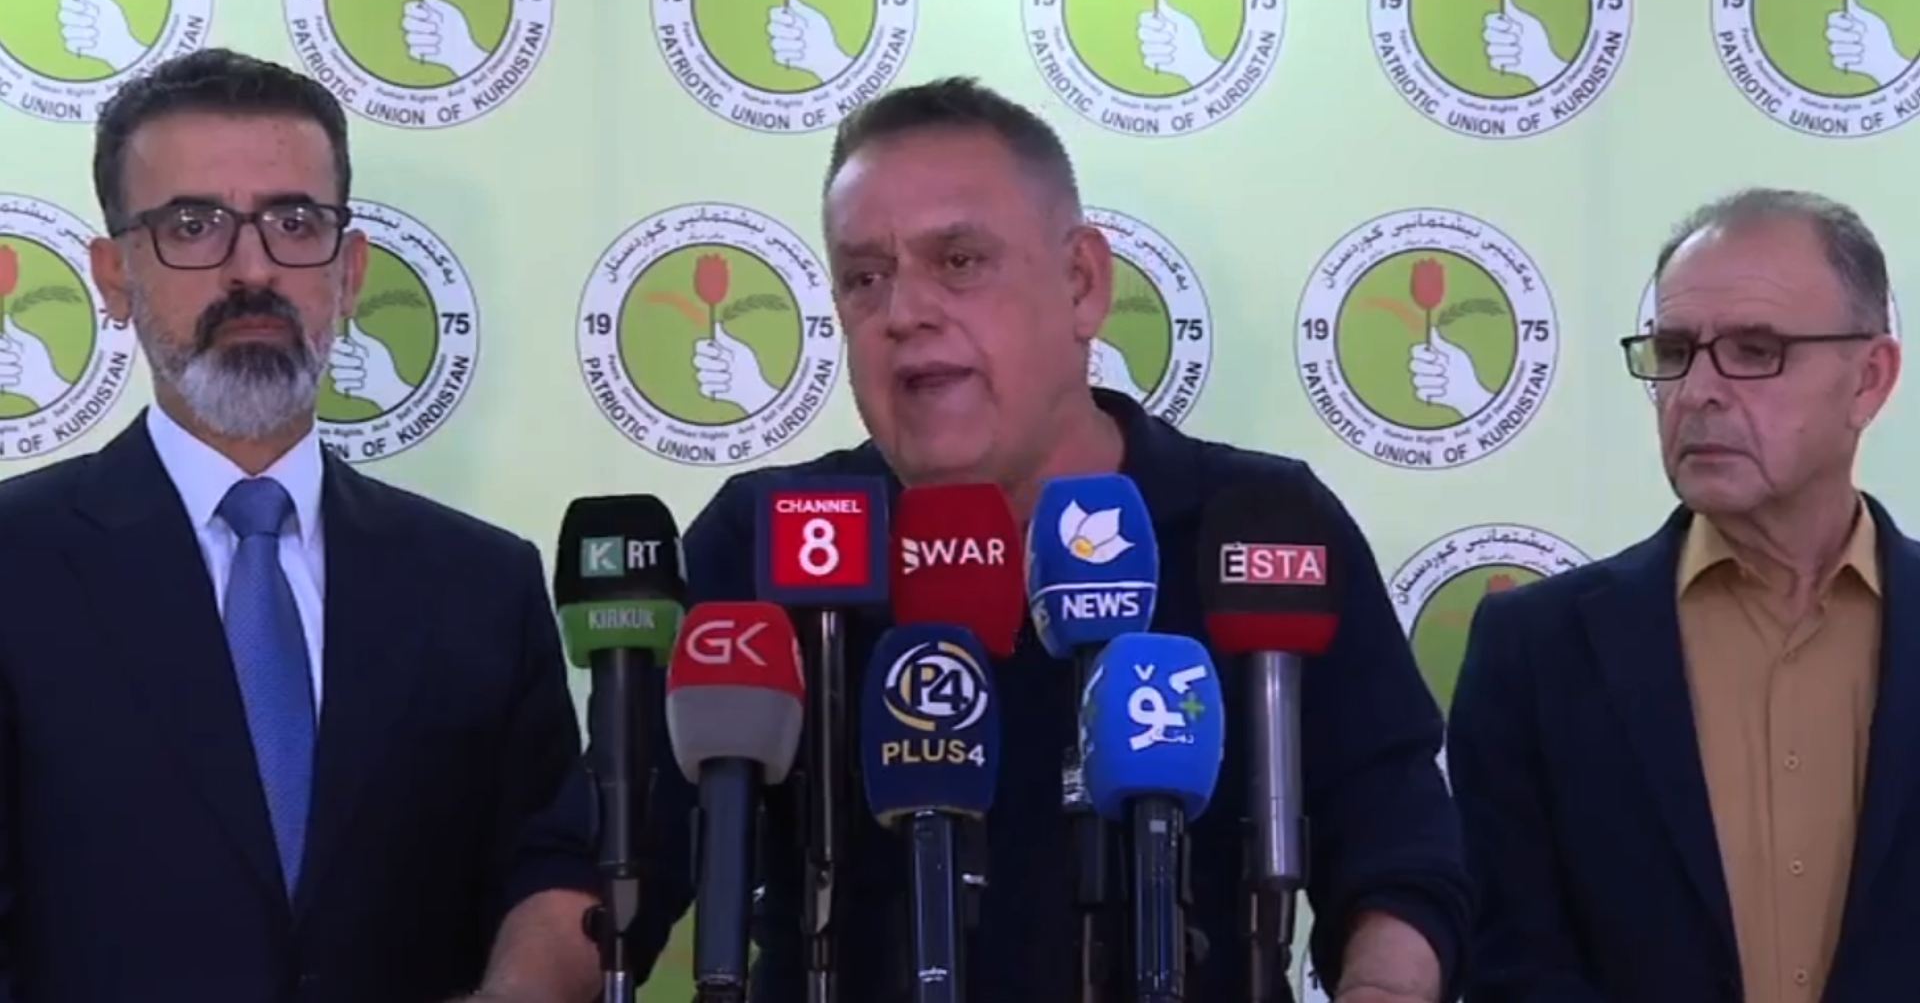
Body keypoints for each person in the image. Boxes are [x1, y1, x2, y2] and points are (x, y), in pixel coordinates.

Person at [633, 77, 1470, 1002]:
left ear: (1081, 285)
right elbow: (616, 863)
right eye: (866, 278)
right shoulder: (765, 538)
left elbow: (1399, 853)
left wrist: (1385, 986)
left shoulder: (1262, 523)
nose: (903, 312)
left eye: (959, 261)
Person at [0, 48, 600, 1002]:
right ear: (114, 277)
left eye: (294, 223)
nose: (253, 269)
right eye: (193, 226)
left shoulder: (481, 584)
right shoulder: (18, 565)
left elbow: (552, 864)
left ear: (349, 273)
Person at [1448, 189, 1917, 1002]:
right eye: (1674, 351)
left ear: (1869, 380)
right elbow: (1515, 963)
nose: (1697, 390)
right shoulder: (1536, 650)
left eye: (1754, 349)